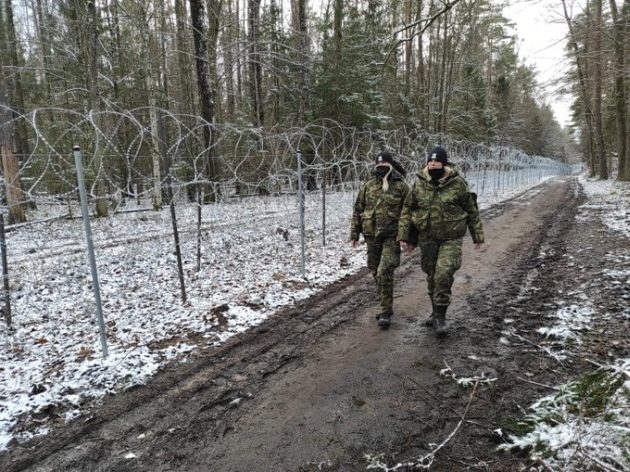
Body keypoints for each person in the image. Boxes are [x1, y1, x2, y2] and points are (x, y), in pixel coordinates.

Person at [397, 146, 484, 336]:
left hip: (450, 238)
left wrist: (477, 235)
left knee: (443, 273)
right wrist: (404, 235)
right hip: (427, 238)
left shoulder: (458, 184)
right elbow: (407, 210)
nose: (433, 164)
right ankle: (435, 311)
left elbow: (471, 210)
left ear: (444, 164)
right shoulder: (419, 184)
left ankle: (441, 317)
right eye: (430, 161)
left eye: (437, 162)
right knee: (431, 275)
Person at [350, 151, 409, 329]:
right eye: (378, 165)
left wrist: (405, 236)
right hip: (371, 236)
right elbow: (358, 210)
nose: (381, 168)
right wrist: (354, 234)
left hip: (392, 236)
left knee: (385, 271)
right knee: (376, 271)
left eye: (385, 165)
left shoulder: (401, 187)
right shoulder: (368, 186)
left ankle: (384, 311)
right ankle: (387, 305)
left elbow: (408, 213)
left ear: (392, 166)